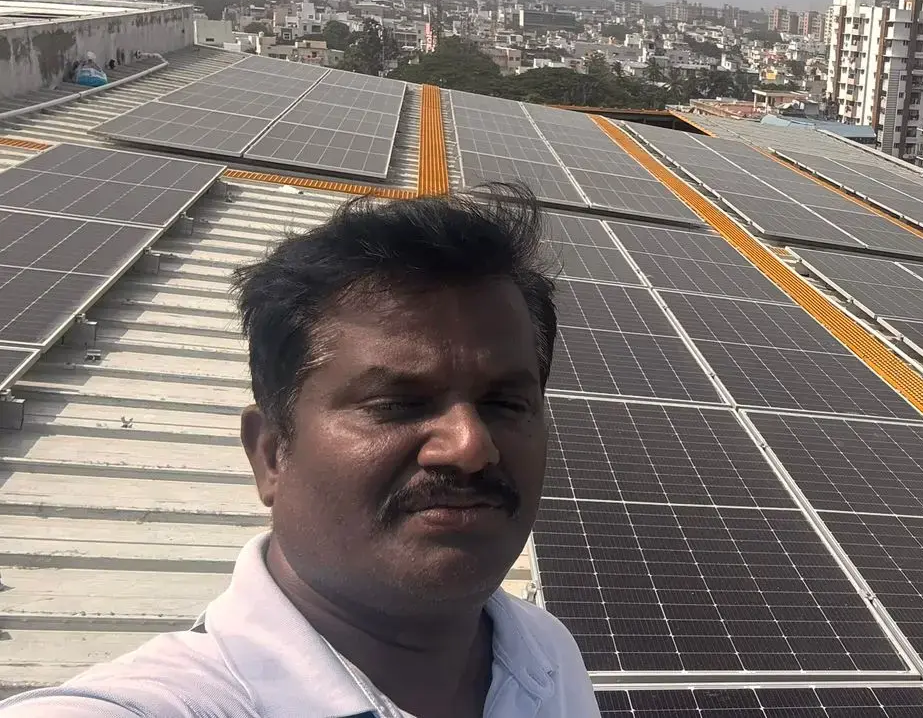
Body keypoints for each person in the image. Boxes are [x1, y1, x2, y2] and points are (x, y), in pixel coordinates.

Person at [0, 183, 598, 718]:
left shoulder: (547, 653)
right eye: (396, 404)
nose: (469, 447)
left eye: (505, 403)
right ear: (270, 454)